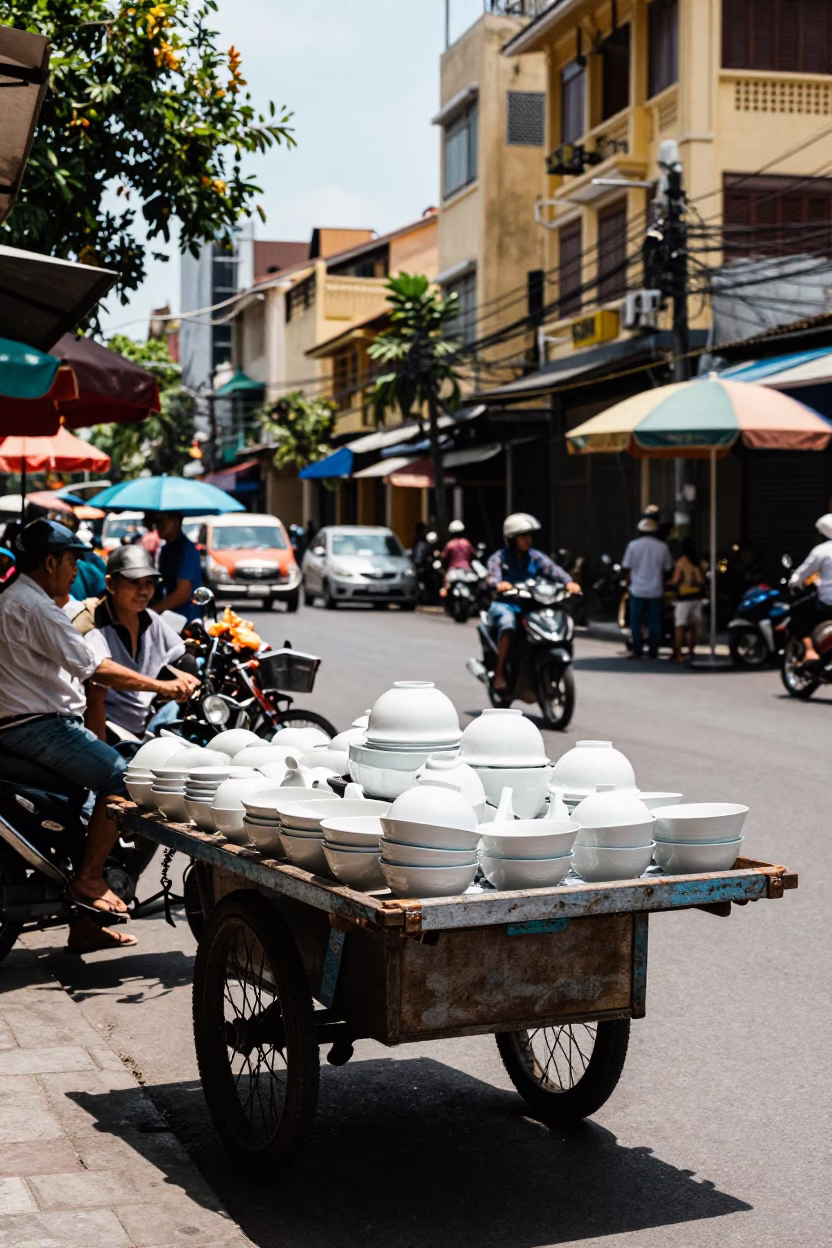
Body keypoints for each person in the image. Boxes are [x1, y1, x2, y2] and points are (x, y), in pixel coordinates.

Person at [0, 520, 198, 954]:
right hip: (39, 727)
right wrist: (163, 687)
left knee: (99, 791)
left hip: (29, 725)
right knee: (123, 779)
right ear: (49, 563)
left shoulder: (16, 599)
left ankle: (85, 926)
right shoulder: (37, 608)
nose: (76, 571)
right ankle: (89, 878)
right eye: (71, 561)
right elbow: (95, 668)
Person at [73, 545, 197, 739]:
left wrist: (185, 678)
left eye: (149, 583)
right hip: (105, 728)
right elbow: (100, 673)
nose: (143, 591)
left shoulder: (151, 619)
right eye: (134, 582)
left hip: (145, 723)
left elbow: (178, 656)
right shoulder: (93, 621)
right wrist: (161, 686)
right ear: (111, 584)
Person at [486, 513, 581, 692]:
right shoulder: (499, 558)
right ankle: (500, 672)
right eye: (522, 536)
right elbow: (492, 576)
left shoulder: (536, 557)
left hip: (533, 604)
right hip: (508, 603)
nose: (527, 540)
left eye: (529, 535)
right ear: (512, 539)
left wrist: (569, 582)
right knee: (508, 626)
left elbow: (555, 571)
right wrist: (499, 584)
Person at [622, 517, 674, 660]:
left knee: (636, 622)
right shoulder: (662, 547)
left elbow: (626, 566)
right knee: (654, 622)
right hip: (655, 590)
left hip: (637, 589)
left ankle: (637, 650)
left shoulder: (633, 545)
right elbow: (667, 568)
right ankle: (653, 651)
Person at [789, 513, 832, 663]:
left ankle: (810, 650)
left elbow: (801, 575)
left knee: (797, 611)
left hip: (827, 605)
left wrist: (795, 583)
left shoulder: (822, 550)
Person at [151, 511, 203, 622]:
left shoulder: (188, 550)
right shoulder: (166, 550)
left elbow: (182, 594)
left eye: (161, 521)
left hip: (186, 619)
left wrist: (154, 610)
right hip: (169, 616)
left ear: (175, 521)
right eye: (156, 521)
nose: (157, 526)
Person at [671, 538, 705, 662]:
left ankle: (678, 654)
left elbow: (676, 580)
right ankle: (691, 652)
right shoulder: (698, 561)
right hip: (697, 597)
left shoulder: (682, 561)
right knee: (692, 627)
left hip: (684, 598)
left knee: (680, 626)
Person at [439, 520, 476, 596]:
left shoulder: (450, 544)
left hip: (453, 571)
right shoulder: (466, 543)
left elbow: (444, 558)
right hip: (466, 572)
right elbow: (474, 555)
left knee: (446, 588)